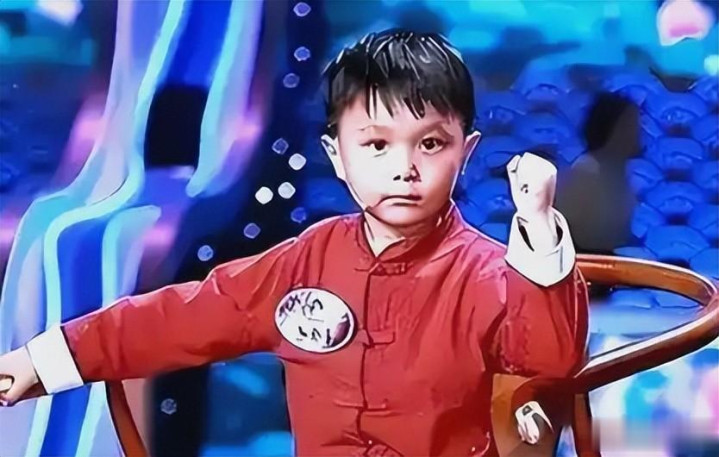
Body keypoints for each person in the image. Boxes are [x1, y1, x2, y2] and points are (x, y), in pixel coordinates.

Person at [0, 29, 589, 457]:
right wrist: (42, 360)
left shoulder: (489, 274)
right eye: (376, 145)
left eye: (430, 144)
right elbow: (181, 317)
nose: (404, 168)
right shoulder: (308, 260)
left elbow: (550, 362)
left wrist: (538, 227)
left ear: (467, 151)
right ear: (337, 155)